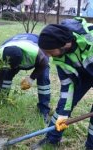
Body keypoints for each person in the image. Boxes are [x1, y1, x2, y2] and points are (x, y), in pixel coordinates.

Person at [32, 18, 93, 150]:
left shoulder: (90, 40)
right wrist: (63, 115)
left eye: (49, 52)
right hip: (82, 73)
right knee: (63, 107)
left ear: (65, 44)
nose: (48, 56)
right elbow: (67, 86)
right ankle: (51, 139)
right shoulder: (60, 57)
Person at [0, 33, 51, 124]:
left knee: (43, 79)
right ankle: (2, 102)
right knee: (6, 76)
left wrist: (31, 78)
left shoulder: (36, 53)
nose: (11, 68)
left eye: (13, 66)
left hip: (35, 45)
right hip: (12, 43)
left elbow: (43, 64)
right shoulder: (1, 54)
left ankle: (44, 110)